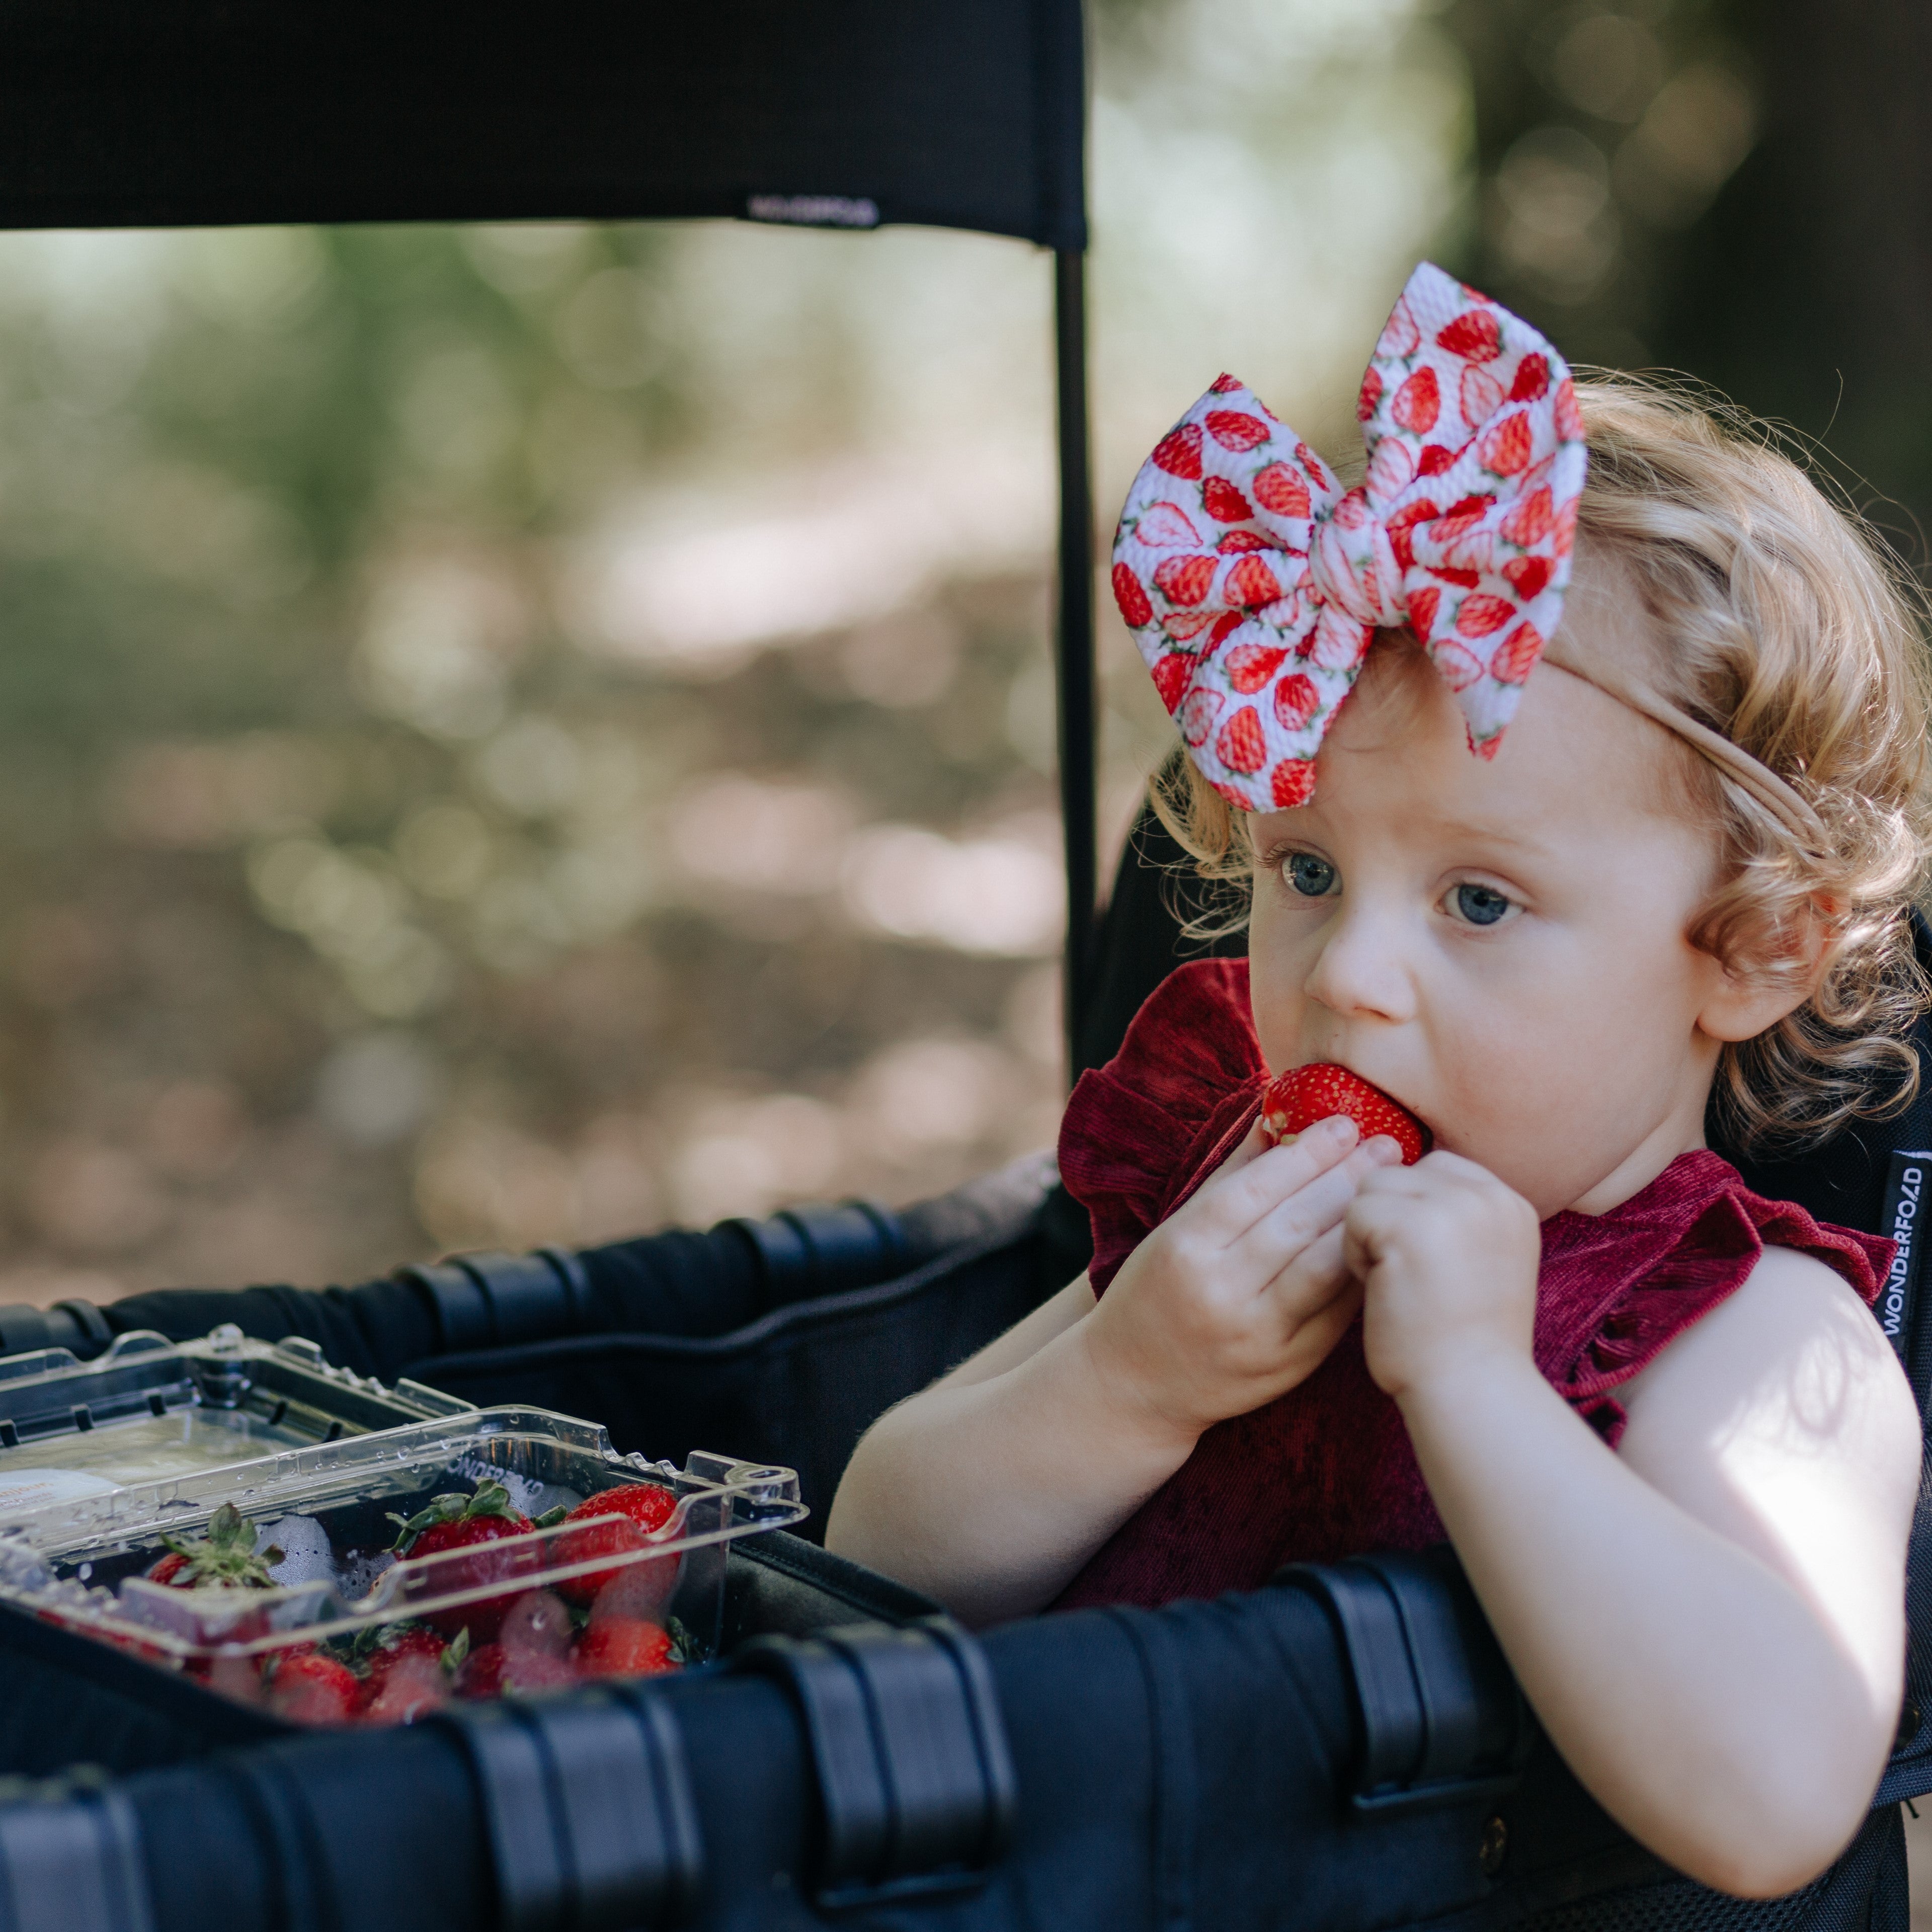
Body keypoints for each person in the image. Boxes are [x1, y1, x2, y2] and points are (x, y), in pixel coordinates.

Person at [825, 264, 1928, 1899]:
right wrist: (1131, 1381)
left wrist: (1478, 1386)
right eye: (1309, 871)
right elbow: (871, 1559)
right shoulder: (1223, 1215)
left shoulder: (1755, 1338)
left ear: (1756, 947)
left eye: (1480, 902)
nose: (1348, 974)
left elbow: (1773, 1801)